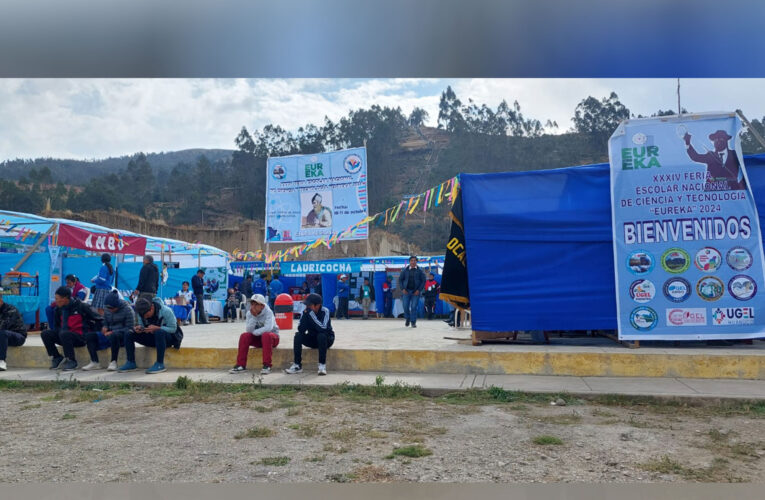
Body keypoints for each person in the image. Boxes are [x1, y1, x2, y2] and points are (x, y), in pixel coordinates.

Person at [41, 286, 103, 371]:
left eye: (57, 298)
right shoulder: (58, 310)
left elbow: (99, 319)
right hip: (65, 337)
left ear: (65, 298)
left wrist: (94, 334)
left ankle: (71, 361)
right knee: (45, 333)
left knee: (65, 334)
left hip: (80, 337)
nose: (56, 301)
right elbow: (57, 326)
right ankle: (57, 357)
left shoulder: (81, 306)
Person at [121, 297, 183, 374]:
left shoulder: (166, 311)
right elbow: (142, 325)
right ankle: (131, 362)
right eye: (144, 316)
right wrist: (140, 328)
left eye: (147, 315)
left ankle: (160, 363)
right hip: (152, 338)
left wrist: (158, 328)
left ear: (152, 308)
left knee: (159, 332)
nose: (146, 317)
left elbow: (173, 328)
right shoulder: (142, 314)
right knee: (129, 333)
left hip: (168, 338)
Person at [285, 293, 335, 376]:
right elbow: (301, 329)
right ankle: (297, 365)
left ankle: (322, 365)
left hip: (327, 340)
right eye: (307, 305)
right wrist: (305, 317)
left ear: (318, 305)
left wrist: (312, 315)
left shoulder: (325, 311)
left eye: (310, 305)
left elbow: (323, 328)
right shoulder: (306, 312)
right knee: (298, 335)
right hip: (313, 339)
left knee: (321, 335)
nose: (307, 307)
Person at [229, 293, 280, 374]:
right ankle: (241, 365)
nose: (253, 307)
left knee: (266, 335)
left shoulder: (268, 312)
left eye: (256, 304)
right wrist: (254, 317)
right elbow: (248, 330)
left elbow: (268, 328)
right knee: (244, 336)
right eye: (252, 304)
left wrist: (255, 333)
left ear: (262, 306)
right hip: (259, 339)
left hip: (272, 339)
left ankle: (267, 366)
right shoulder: (250, 313)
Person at [101, 291, 136, 371]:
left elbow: (130, 327)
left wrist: (113, 332)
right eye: (108, 308)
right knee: (91, 336)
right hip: (109, 332)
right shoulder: (107, 309)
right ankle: (94, 361)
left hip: (122, 335)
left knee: (114, 336)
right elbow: (105, 321)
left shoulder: (127, 310)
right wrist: (105, 327)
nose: (110, 310)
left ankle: (113, 361)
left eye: (112, 308)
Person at [0, 290, 27, 371]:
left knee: (2, 333)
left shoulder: (11, 310)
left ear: (0, 301)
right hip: (3, 338)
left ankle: (1, 361)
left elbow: (3, 326)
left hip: (18, 337)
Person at [399, 256, 425, 328]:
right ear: (409, 262)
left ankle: (413, 322)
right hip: (406, 292)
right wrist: (402, 289)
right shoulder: (405, 270)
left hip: (415, 292)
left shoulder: (420, 271)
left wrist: (419, 290)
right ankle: (407, 318)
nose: (413, 262)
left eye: (414, 260)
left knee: (414, 307)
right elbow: (400, 280)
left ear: (416, 262)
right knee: (405, 306)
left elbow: (423, 281)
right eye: (411, 260)